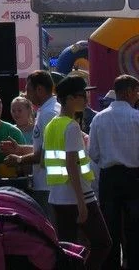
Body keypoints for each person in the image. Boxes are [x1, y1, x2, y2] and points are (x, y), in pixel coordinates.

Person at [43, 75, 111, 270]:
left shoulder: (51, 125)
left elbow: (46, 161)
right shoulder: (71, 126)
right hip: (79, 195)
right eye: (82, 95)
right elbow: (71, 164)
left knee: (68, 251)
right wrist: (82, 203)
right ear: (70, 98)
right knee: (103, 243)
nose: (86, 100)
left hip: (57, 196)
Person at [88, 74, 139, 269]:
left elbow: (93, 153)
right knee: (135, 229)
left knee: (110, 229)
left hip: (109, 179)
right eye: (136, 91)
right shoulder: (137, 118)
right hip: (134, 178)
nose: (137, 95)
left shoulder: (99, 118)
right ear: (128, 92)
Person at [2, 70, 59, 218]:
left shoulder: (48, 113)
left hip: (49, 185)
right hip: (49, 183)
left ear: (39, 89)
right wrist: (20, 149)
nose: (26, 95)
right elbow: (44, 148)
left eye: (28, 90)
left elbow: (45, 154)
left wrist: (19, 159)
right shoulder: (48, 110)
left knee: (50, 228)